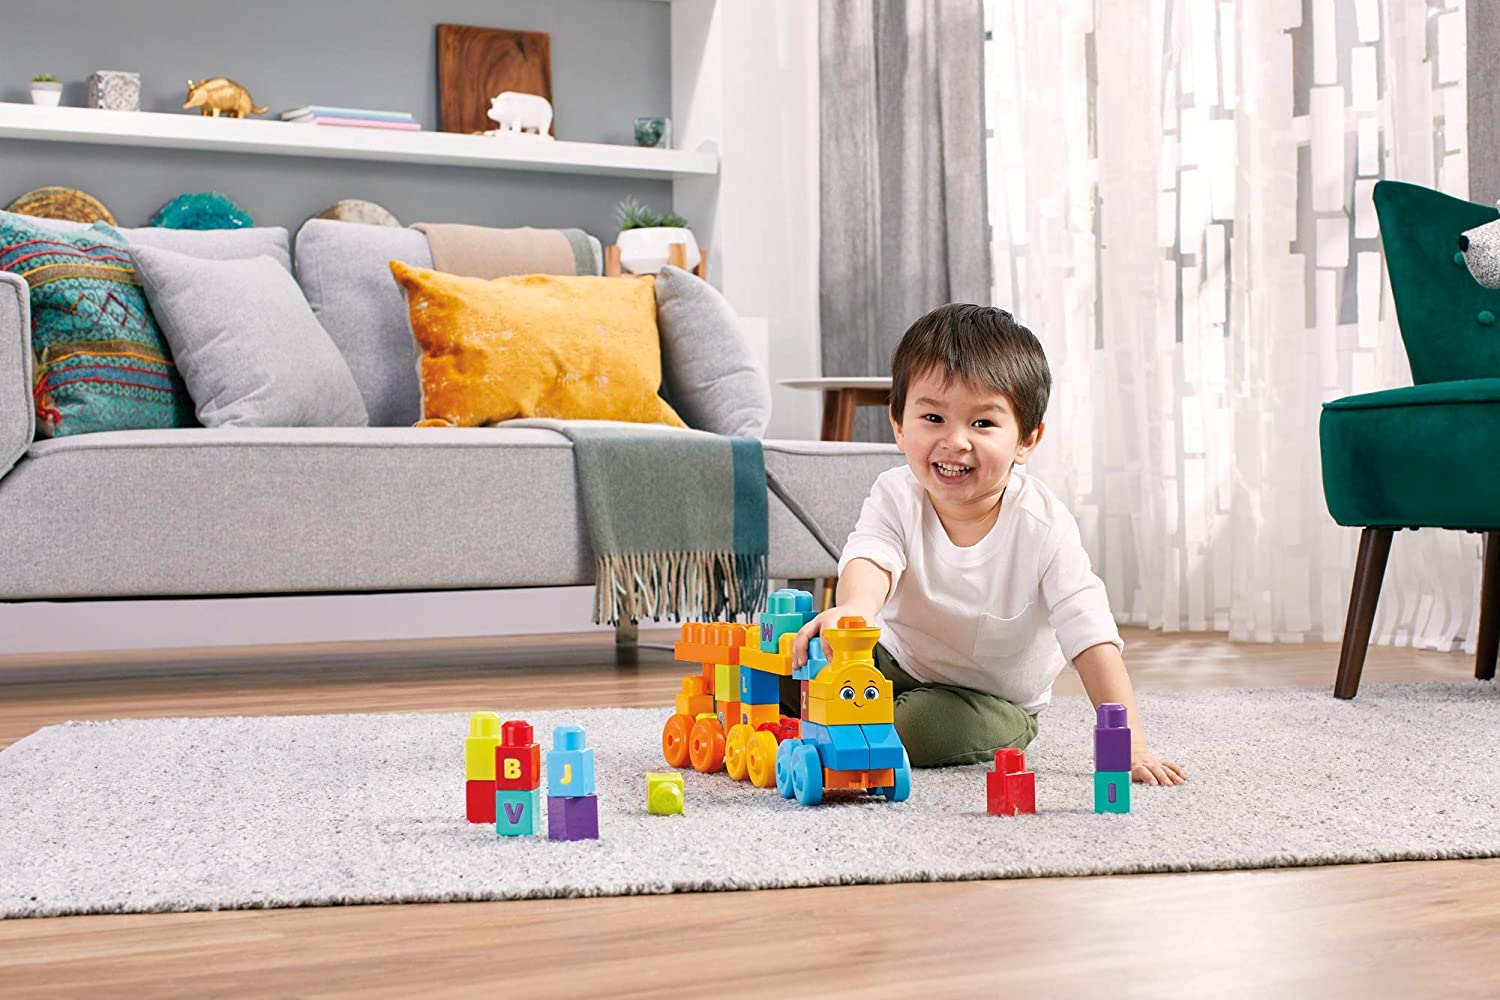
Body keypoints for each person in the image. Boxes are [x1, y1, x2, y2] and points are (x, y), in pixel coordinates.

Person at [790, 303, 1186, 784]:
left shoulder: (1043, 526)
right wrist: (854, 610)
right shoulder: (896, 493)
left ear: (1027, 440)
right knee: (794, 658)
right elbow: (872, 555)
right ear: (899, 425)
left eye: (982, 424)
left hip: (985, 701)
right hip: (894, 661)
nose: (955, 441)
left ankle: (843, 722)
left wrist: (1131, 744)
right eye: (933, 417)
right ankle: (831, 714)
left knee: (919, 728)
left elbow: (1091, 634)